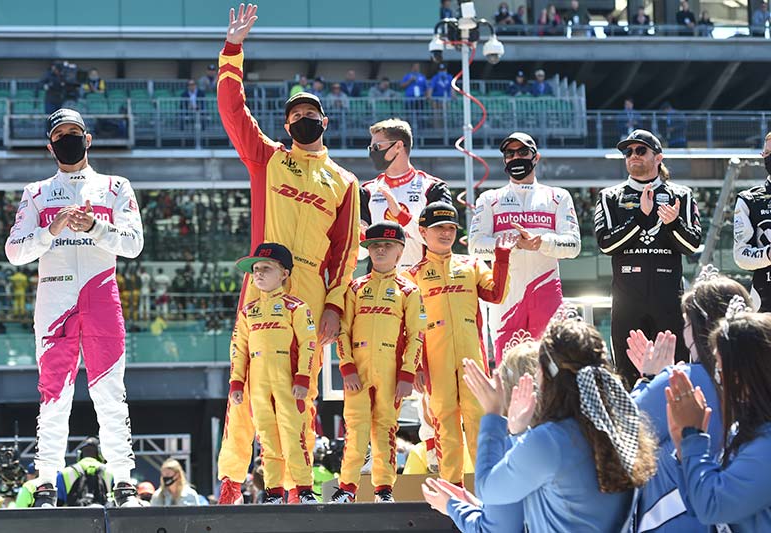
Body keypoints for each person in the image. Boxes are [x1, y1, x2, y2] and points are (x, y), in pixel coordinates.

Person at [215, 3, 360, 504]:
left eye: (310, 114)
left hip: (312, 294)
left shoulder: (345, 181)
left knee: (302, 389)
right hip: (262, 283)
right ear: (286, 124)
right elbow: (233, 112)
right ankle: (231, 481)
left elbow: (345, 253)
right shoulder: (268, 159)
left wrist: (335, 305)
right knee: (244, 383)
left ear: (324, 120)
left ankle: (298, 488)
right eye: (295, 115)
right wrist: (233, 50)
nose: (303, 120)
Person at [4, 107, 144, 508]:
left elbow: (134, 244)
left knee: (110, 392)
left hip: (101, 297)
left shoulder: (115, 187)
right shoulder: (36, 193)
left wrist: (95, 227)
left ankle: (124, 482)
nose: (68, 139)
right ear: (50, 147)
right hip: (55, 300)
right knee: (53, 393)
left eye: (74, 133)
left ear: (88, 139)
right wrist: (51, 229)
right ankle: (45, 483)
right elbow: (14, 251)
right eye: (60, 135)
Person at [464, 318, 657, 532]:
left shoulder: (550, 441)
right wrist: (518, 434)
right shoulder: (623, 427)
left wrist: (493, 415)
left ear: (547, 373)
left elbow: (487, 489)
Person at [405, 202, 515, 486]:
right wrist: (415, 366)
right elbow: (408, 328)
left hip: (471, 360)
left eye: (451, 228)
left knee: (479, 419)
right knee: (445, 423)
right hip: (435, 363)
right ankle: (453, 489)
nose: (446, 233)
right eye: (438, 228)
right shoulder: (412, 275)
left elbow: (496, 294)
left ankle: (489, 486)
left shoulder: (472, 264)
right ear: (422, 232)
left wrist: (502, 257)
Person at [630, 270, 748, 532]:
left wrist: (649, 378)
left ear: (698, 328)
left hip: (675, 519)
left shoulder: (680, 379)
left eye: (686, 323)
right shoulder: (755, 382)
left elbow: (621, 428)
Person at [594, 129, 700, 385]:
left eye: (641, 150)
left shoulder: (681, 195)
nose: (633, 155)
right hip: (627, 301)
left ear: (658, 157)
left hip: (669, 300)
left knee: (675, 375)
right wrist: (640, 217)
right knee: (628, 378)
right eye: (628, 151)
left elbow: (691, 245)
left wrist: (673, 223)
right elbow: (606, 245)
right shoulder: (609, 197)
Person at [330, 222, 425, 504]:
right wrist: (346, 367)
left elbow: (416, 336)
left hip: (390, 374)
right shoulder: (355, 288)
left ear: (400, 251)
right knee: (355, 431)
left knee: (385, 430)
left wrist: (407, 374)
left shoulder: (409, 291)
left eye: (387, 245)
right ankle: (347, 489)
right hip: (357, 374)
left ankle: (384, 490)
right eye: (374, 246)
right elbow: (343, 331)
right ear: (368, 251)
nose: (380, 250)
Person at [469, 132, 580, 365]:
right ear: (504, 160)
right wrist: (512, 246)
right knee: (509, 369)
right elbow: (475, 247)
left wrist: (543, 242)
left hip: (546, 293)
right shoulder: (489, 199)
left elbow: (573, 245)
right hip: (506, 297)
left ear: (535, 157)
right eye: (510, 154)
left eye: (522, 152)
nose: (516, 157)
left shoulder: (558, 196)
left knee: (552, 368)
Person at [666, 307, 771, 531]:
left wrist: (693, 437)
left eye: (721, 370)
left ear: (745, 372)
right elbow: (700, 506)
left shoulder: (767, 445)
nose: (718, 378)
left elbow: (713, 506)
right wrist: (684, 446)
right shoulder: (745, 428)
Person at [228, 243, 317, 504]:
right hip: (258, 384)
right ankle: (274, 492)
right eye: (255, 269)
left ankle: (304, 489)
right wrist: (236, 382)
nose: (258, 273)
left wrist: (303, 377)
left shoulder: (296, 307)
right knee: (266, 438)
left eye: (266, 268)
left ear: (284, 274)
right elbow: (238, 349)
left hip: (287, 382)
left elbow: (308, 344)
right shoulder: (248, 311)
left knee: (293, 436)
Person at [422, 336, 538, 533]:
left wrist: (452, 507)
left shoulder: (520, 447)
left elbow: (496, 529)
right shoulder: (561, 435)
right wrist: (478, 505)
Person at [360, 118, 452, 270]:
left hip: (425, 279)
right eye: (370, 148)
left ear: (398, 146)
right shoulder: (367, 191)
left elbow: (442, 240)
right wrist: (362, 236)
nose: (372, 153)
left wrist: (400, 215)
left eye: (377, 147)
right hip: (381, 281)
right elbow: (360, 253)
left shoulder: (433, 188)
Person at [733, 132, 771, 311]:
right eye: (767, 153)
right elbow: (740, 255)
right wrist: (768, 254)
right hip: (765, 298)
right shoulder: (750, 200)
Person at [57, 437, 113, 507]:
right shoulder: (111, 472)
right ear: (101, 454)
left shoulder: (64, 473)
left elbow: (57, 504)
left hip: (74, 513)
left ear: (79, 454)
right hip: (102, 513)